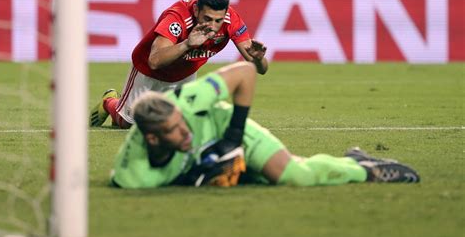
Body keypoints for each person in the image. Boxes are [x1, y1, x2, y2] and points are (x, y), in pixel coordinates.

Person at [110, 62, 420, 189]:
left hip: (223, 128)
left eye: (182, 123)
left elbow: (245, 72)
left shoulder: (189, 100)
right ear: (152, 139)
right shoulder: (133, 176)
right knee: (265, 179)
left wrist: (232, 139)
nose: (185, 131)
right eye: (174, 131)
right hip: (208, 156)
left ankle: (365, 168)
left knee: (295, 175)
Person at [89, 0, 268, 129]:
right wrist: (187, 44)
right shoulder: (177, 17)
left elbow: (261, 70)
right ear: (197, 10)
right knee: (127, 124)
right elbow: (155, 61)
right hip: (148, 70)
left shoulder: (231, 21)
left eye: (218, 20)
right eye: (207, 18)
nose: (213, 26)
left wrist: (258, 59)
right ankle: (109, 101)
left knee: (180, 125)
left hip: (184, 74)